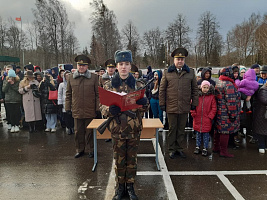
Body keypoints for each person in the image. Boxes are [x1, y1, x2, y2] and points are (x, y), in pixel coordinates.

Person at [100, 50, 148, 200]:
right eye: (121, 64)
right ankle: (120, 188)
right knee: (119, 160)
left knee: (132, 160)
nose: (124, 67)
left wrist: (144, 103)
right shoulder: (108, 85)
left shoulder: (139, 85)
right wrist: (109, 109)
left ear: (130, 65)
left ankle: (130, 187)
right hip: (117, 129)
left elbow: (145, 108)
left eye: (127, 64)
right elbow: (101, 107)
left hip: (134, 129)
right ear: (116, 66)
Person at [159, 47, 198, 159]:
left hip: (185, 106)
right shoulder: (167, 73)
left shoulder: (190, 73)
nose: (180, 61)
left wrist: (194, 102)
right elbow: (162, 90)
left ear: (184, 60)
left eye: (182, 59)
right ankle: (171, 149)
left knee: (181, 129)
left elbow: (195, 89)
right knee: (172, 129)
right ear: (174, 60)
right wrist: (162, 103)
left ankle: (179, 148)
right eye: (178, 59)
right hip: (171, 106)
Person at [65, 55, 99, 159]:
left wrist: (98, 108)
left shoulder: (94, 77)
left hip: (90, 110)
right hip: (77, 109)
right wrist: (67, 108)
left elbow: (98, 94)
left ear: (87, 66)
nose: (81, 67)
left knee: (90, 132)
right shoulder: (71, 77)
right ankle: (80, 150)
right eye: (79, 65)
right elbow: (68, 94)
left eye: (83, 65)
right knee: (78, 132)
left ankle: (92, 150)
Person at [213, 66, 241, 158]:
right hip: (226, 113)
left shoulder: (219, 82)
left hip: (219, 111)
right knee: (225, 132)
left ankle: (216, 147)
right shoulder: (228, 84)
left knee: (218, 130)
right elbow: (231, 101)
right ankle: (223, 151)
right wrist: (233, 114)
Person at [191, 80, 216, 156]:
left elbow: (214, 108)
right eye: (204, 87)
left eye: (207, 87)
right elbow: (193, 106)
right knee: (198, 134)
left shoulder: (212, 97)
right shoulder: (197, 97)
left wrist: (210, 117)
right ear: (201, 87)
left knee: (206, 135)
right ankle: (197, 146)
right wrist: (193, 113)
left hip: (207, 119)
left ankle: (205, 148)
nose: (205, 89)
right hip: (197, 118)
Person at [252, 81, 267, 153]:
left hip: (264, 114)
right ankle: (261, 145)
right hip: (262, 114)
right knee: (261, 131)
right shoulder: (263, 90)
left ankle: (265, 145)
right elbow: (264, 100)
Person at [58, 70, 74, 135]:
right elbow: (59, 94)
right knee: (66, 116)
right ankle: (68, 127)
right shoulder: (61, 85)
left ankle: (72, 127)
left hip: (73, 102)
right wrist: (60, 103)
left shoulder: (73, 83)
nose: (67, 77)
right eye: (66, 76)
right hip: (65, 102)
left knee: (72, 116)